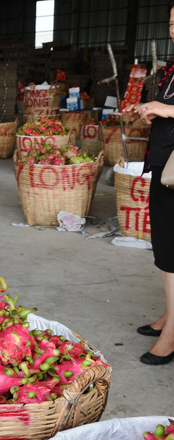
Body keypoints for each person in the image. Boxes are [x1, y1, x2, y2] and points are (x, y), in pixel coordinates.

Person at [122, 0, 174, 365]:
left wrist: (166, 110)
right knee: (165, 249)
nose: (173, 29)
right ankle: (170, 315)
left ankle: (172, 336)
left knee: (172, 253)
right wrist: (148, 108)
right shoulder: (172, 66)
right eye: (172, 22)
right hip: (165, 164)